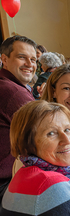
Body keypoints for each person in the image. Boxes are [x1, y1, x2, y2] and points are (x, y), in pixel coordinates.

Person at [0, 35, 36, 200]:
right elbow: (44, 132)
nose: (30, 64)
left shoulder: (9, 84)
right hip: (6, 184)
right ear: (4, 59)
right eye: (22, 57)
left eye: (34, 59)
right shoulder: (12, 91)